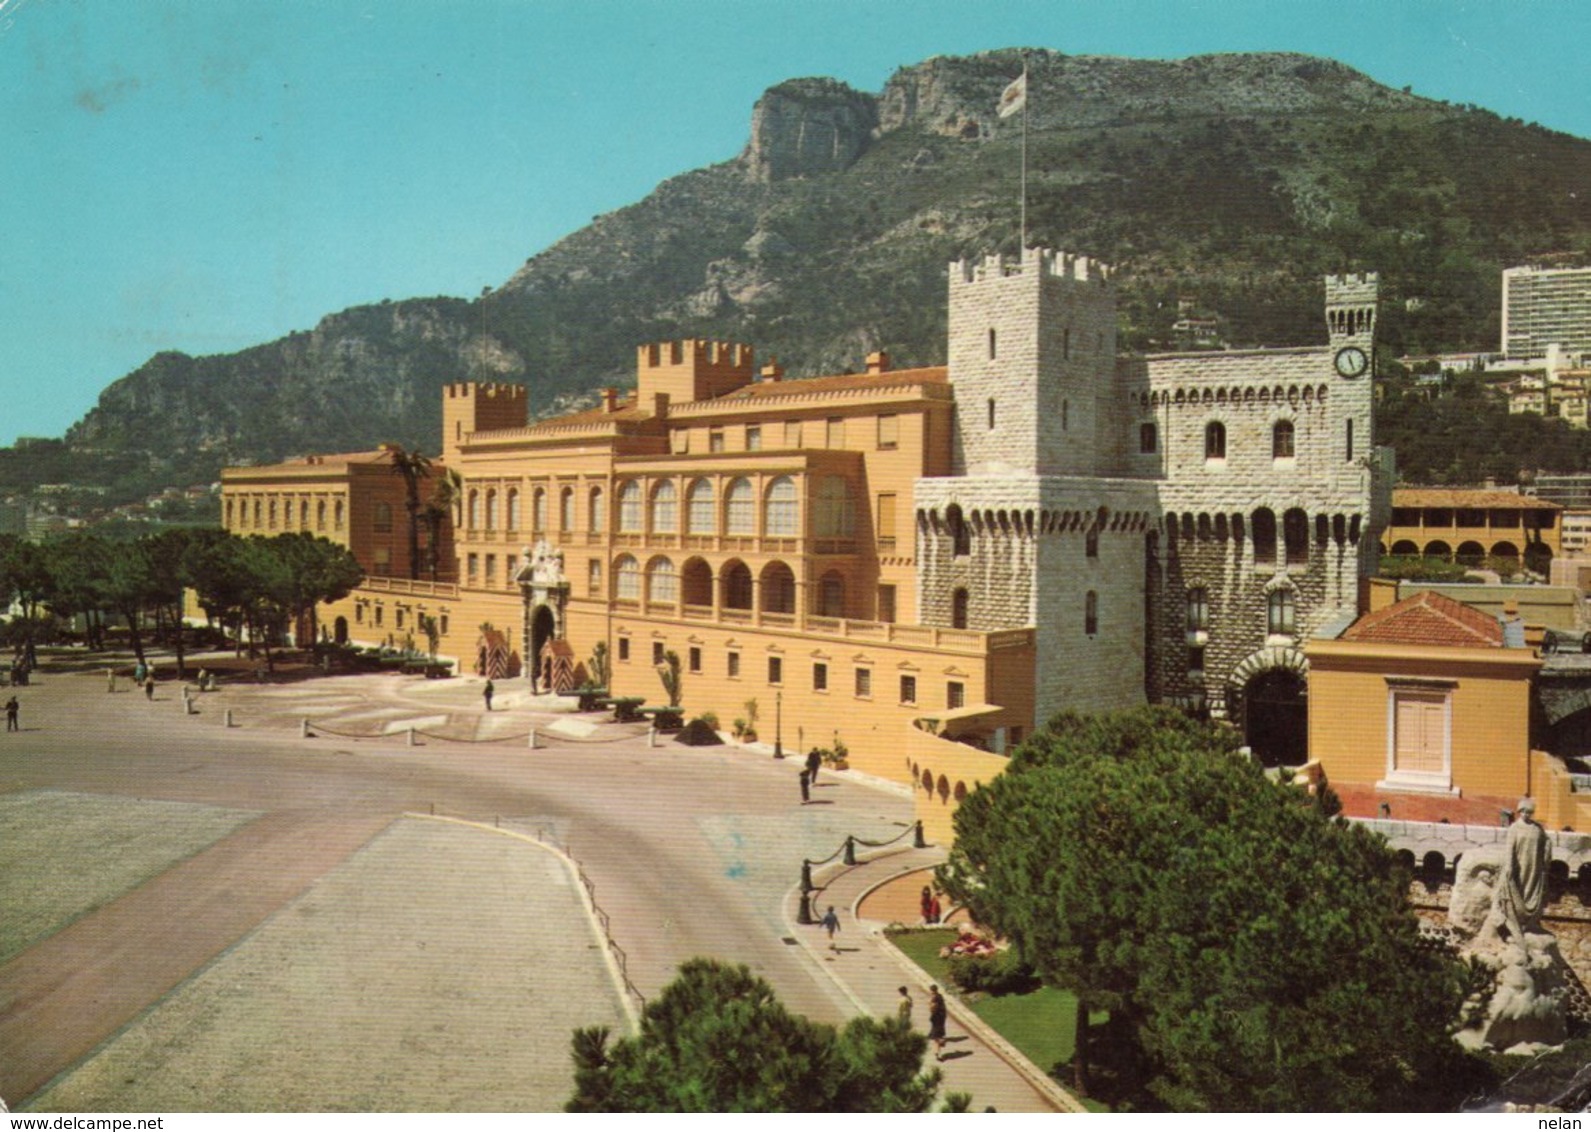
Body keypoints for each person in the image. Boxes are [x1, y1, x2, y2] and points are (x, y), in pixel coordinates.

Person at [1496, 797, 1553, 941]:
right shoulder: (1514, 828)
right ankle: (1515, 923)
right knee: (1518, 891)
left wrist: (1546, 856)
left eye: (1529, 812)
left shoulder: (1537, 828)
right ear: (1519, 812)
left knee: (1531, 890)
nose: (1526, 815)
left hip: (1534, 866)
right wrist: (1509, 865)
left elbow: (1546, 842)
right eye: (1523, 812)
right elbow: (1509, 848)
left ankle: (1528, 923)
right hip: (1519, 866)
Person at [927, 985, 949, 1061]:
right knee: (937, 1036)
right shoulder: (940, 996)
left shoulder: (935, 998)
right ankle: (937, 1051)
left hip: (937, 1018)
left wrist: (929, 1004)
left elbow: (932, 1008)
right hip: (941, 1017)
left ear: (932, 990)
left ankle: (939, 1053)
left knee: (937, 1037)